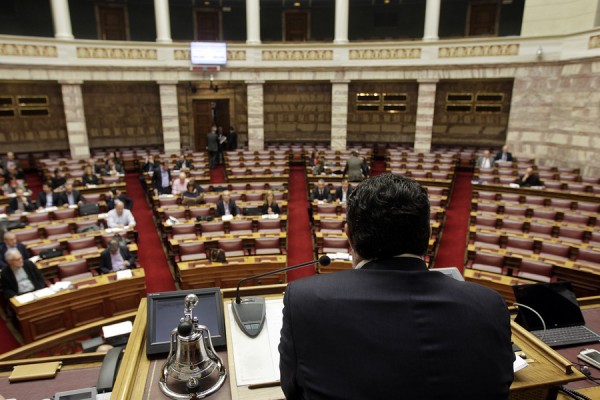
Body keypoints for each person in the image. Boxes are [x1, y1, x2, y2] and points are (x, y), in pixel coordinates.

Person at [279, 174, 514, 400]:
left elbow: (293, 390)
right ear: (427, 234)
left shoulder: (304, 301)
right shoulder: (489, 304)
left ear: (349, 235)